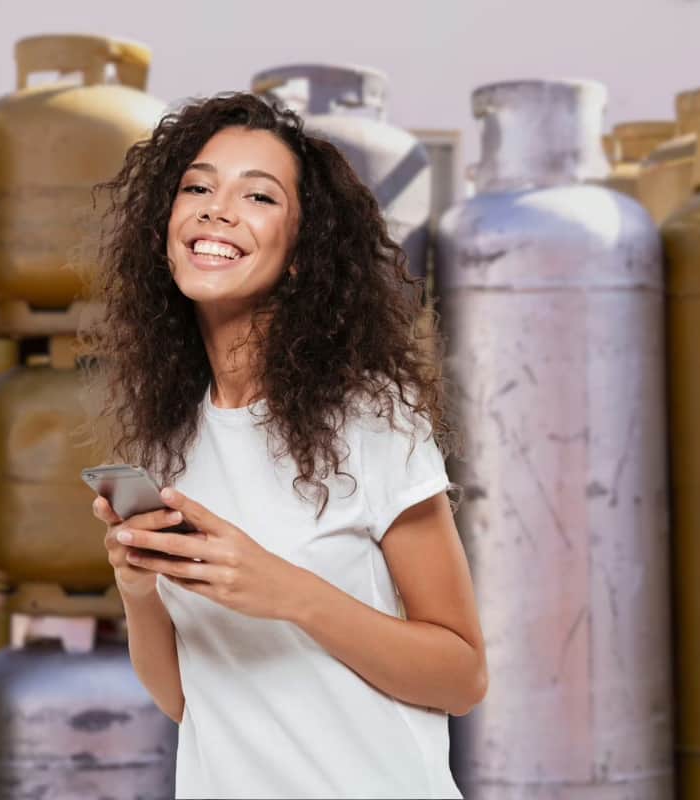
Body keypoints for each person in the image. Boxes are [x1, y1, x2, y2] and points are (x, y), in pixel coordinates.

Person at [88, 92, 486, 799]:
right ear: (163, 230)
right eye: (198, 187)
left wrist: (289, 593)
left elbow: (461, 676)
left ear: (302, 254)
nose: (216, 208)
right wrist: (138, 588)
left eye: (259, 196)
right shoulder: (171, 440)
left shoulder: (370, 421)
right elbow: (187, 703)